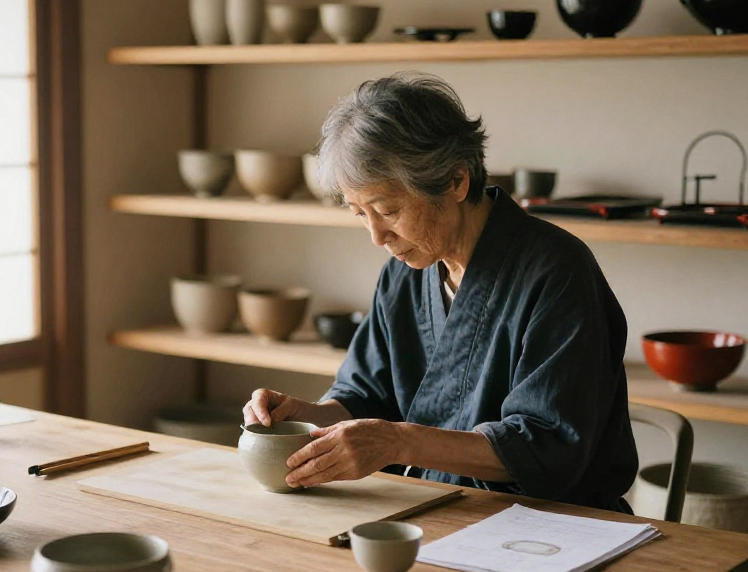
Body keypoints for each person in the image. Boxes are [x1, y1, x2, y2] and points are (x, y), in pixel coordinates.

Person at [243, 72, 638, 512]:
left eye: (388, 210)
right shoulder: (405, 273)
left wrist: (397, 441)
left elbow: (547, 443)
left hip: (556, 525)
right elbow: (365, 397)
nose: (377, 236)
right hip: (436, 510)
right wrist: (304, 417)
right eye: (360, 213)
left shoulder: (557, 272)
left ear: (455, 181)